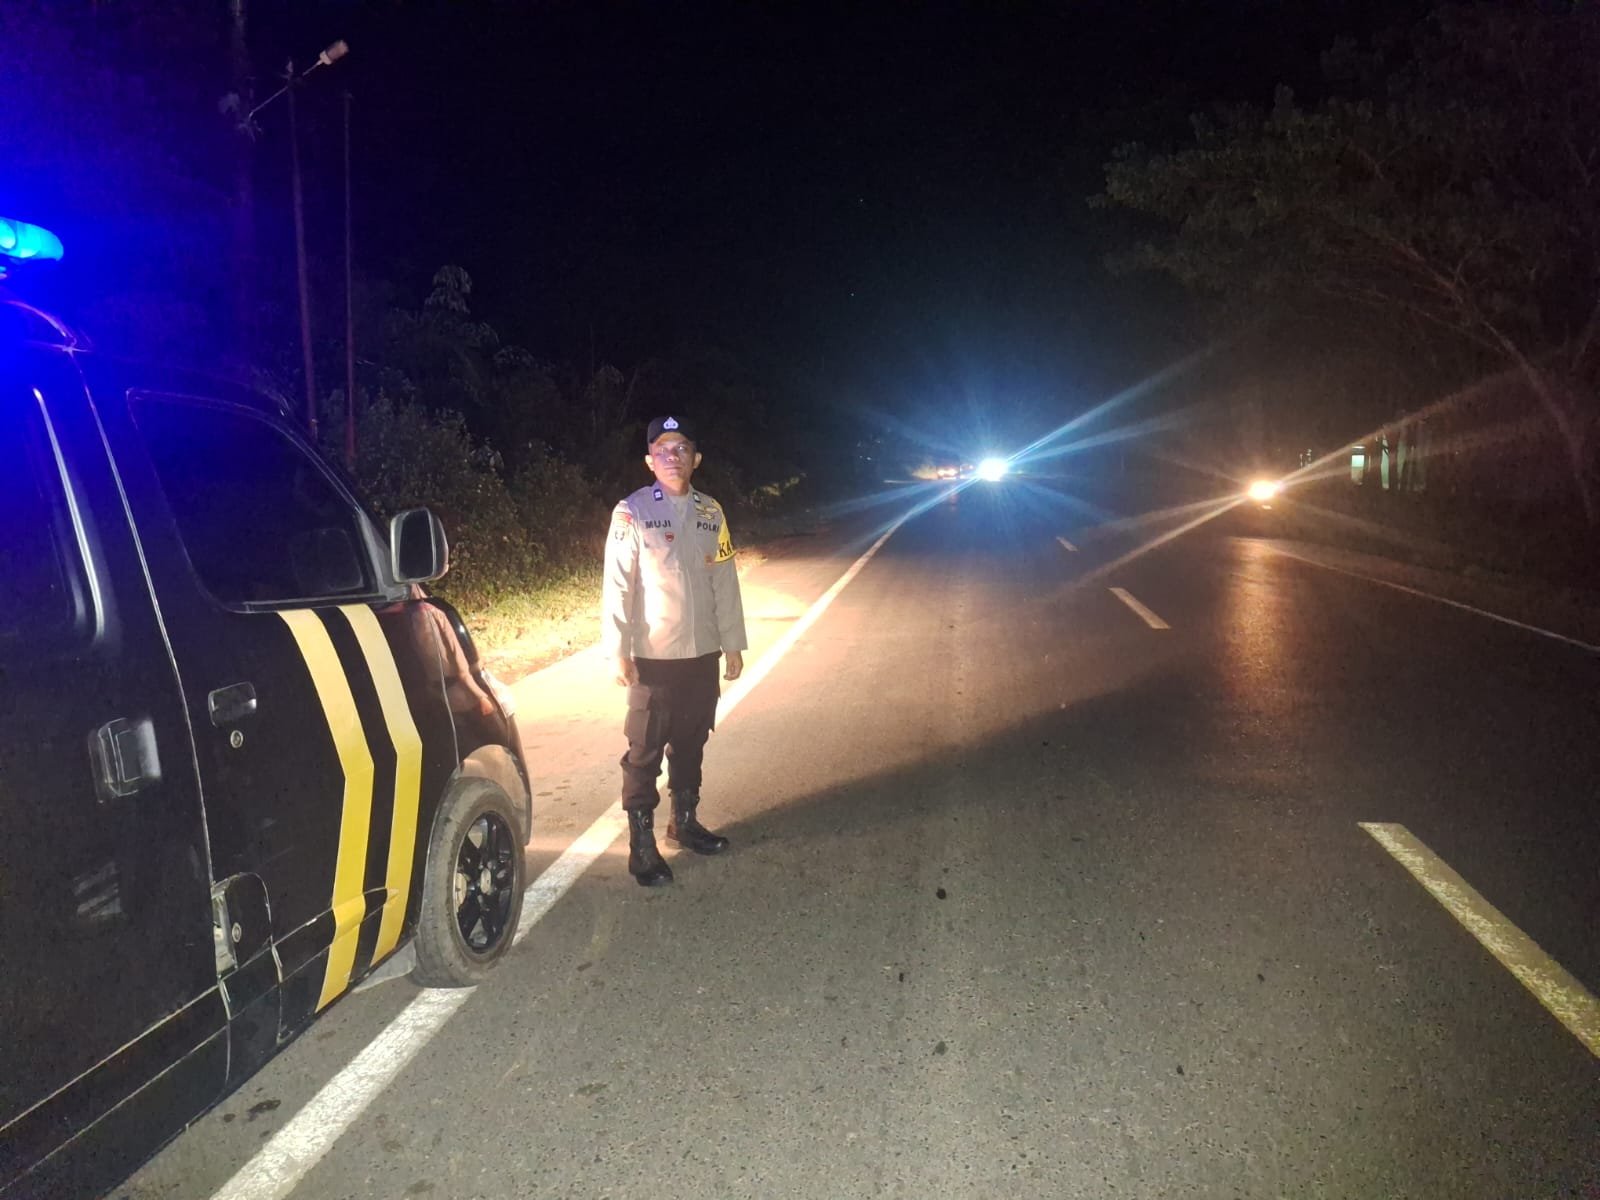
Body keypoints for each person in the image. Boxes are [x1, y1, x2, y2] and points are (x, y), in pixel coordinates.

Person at [602, 415, 748, 886]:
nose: (672, 456)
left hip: (701, 653)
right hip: (653, 656)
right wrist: (618, 649)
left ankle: (684, 822)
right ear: (650, 461)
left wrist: (732, 643)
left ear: (695, 458)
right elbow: (618, 584)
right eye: (662, 449)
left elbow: (724, 579)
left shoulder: (711, 512)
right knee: (644, 750)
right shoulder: (632, 512)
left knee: (691, 740)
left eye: (681, 448)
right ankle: (641, 845)